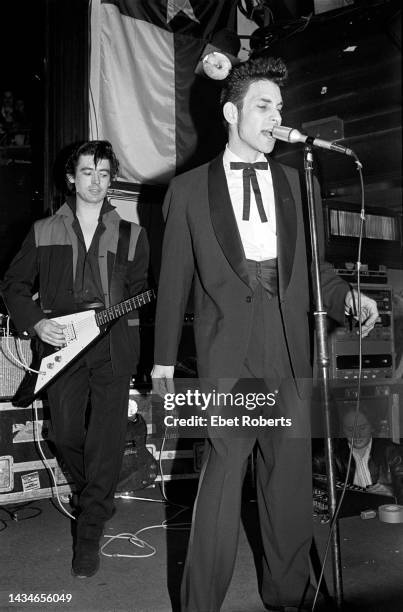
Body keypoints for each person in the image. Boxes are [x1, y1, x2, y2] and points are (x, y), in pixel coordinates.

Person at [151, 57, 378, 611]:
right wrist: (160, 365)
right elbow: (174, 280)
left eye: (280, 106)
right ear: (231, 112)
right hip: (229, 352)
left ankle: (288, 596)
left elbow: (316, 267)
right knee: (222, 485)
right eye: (263, 105)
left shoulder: (299, 181)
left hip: (289, 348)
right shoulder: (186, 190)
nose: (277, 116)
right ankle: (199, 604)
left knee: (289, 487)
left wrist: (347, 296)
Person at [2, 140, 149, 578]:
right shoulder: (43, 230)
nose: (96, 181)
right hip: (63, 344)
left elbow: (141, 290)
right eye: (88, 172)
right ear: (72, 177)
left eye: (104, 174)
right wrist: (36, 324)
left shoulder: (132, 234)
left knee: (105, 437)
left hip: (113, 345)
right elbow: (12, 284)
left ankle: (89, 534)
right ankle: (95, 499)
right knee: (65, 432)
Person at [332, 409, 403, 502]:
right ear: (343, 431)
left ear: (372, 427)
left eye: (362, 428)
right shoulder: (334, 456)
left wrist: (393, 495)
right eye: (350, 429)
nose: (357, 435)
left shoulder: (393, 452)